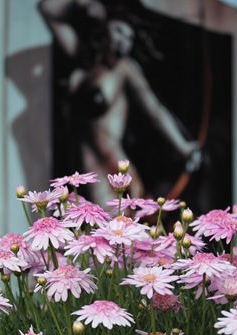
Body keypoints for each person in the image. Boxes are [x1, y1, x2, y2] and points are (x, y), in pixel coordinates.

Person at [39, 0, 202, 207]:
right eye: (119, 31)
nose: (123, 42)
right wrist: (84, 3)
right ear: (105, 27)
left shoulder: (125, 70)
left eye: (129, 38)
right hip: (81, 165)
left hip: (111, 167)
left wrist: (183, 147)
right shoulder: (82, 57)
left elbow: (155, 110)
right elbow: (47, 9)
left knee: (115, 221)